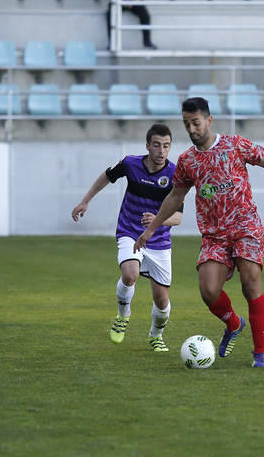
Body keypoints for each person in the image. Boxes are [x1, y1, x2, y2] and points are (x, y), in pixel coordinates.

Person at [134, 97, 264, 368]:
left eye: (196, 123)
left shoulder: (234, 144)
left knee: (251, 284)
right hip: (214, 235)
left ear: (209, 120)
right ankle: (234, 323)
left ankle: (260, 353)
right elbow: (175, 195)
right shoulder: (188, 160)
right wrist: (152, 228)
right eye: (187, 124)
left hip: (245, 227)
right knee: (208, 290)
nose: (192, 129)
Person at [71, 124, 182, 352]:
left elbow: (178, 217)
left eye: (166, 146)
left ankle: (156, 335)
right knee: (129, 275)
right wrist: (85, 200)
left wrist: (158, 220)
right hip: (130, 231)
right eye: (157, 145)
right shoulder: (131, 164)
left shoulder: (174, 174)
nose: (162, 151)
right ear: (147, 146)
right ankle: (123, 316)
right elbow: (107, 176)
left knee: (162, 301)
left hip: (159, 242)